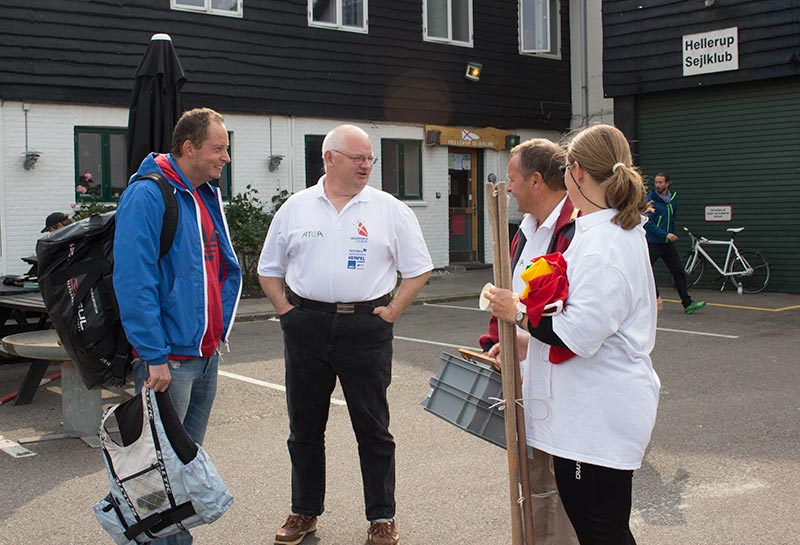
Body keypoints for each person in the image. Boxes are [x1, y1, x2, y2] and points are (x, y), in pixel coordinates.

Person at [258, 124, 433, 545]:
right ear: (328, 159)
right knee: (304, 427)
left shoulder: (389, 209)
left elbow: (419, 267)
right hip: (307, 325)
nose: (366, 165)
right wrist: (286, 311)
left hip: (365, 327)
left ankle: (382, 516)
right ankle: (304, 511)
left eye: (369, 158)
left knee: (373, 428)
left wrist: (391, 311)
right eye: (357, 158)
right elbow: (269, 268)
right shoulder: (296, 208)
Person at [487, 124, 660, 545]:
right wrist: (528, 341)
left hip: (595, 419)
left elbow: (580, 335)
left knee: (600, 531)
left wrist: (518, 313)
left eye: (566, 168)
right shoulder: (601, 231)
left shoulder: (605, 245)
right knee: (600, 528)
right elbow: (583, 321)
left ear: (577, 172)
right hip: (588, 414)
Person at [113, 107, 242, 545]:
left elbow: (217, 269)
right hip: (170, 361)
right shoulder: (148, 195)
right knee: (159, 472)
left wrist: (217, 328)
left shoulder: (203, 193)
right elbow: (134, 280)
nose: (225, 157)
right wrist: (153, 354)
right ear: (189, 148)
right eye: (218, 148)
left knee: (181, 470)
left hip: (203, 355)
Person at [479, 138, 579, 545]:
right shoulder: (524, 230)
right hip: (526, 382)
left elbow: (571, 319)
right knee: (533, 482)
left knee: (560, 491)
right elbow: (505, 292)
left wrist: (523, 332)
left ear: (537, 180)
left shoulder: (574, 230)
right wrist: (494, 341)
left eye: (513, 179)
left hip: (563, 384)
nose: (509, 188)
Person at [645, 172, 705, 314]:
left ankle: (688, 303)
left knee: (678, 272)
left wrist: (670, 235)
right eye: (656, 183)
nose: (658, 185)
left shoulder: (673, 199)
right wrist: (665, 234)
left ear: (667, 184)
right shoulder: (650, 200)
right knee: (646, 272)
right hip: (653, 243)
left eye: (661, 182)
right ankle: (654, 297)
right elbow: (648, 223)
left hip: (667, 244)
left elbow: (672, 219)